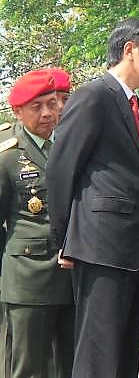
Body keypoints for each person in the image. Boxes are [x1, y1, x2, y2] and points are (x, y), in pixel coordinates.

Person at [47, 18, 139, 378]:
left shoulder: (134, 105)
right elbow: (61, 169)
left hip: (131, 251)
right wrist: (66, 239)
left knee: (124, 354)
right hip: (100, 248)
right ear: (131, 50)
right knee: (99, 356)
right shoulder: (95, 95)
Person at [0, 70, 74, 377]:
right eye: (37, 107)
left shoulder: (70, 143)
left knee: (69, 365)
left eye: (52, 103)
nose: (48, 112)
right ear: (17, 111)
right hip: (28, 281)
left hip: (73, 278)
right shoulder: (7, 156)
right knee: (27, 367)